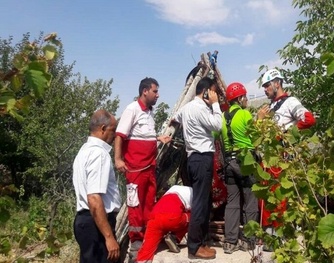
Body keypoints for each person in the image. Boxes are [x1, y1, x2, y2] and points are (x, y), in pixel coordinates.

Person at [114, 77, 171, 260]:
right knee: (135, 207)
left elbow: (143, 135)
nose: (158, 95)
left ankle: (148, 238)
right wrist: (118, 159)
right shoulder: (132, 109)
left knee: (148, 205)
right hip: (136, 170)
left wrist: (157, 138)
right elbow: (120, 135)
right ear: (145, 91)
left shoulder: (148, 112)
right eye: (155, 91)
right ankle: (136, 244)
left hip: (149, 168)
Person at [257, 69, 316, 237]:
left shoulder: (290, 102)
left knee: (280, 194)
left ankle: (280, 233)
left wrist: (286, 135)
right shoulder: (271, 107)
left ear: (277, 83)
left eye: (267, 85)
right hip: (270, 156)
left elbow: (308, 119)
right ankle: (270, 234)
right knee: (267, 194)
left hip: (282, 155)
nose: (265, 89)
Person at [172, 76, 222, 260]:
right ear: (207, 91)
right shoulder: (200, 108)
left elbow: (175, 118)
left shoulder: (186, 109)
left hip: (194, 159)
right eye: (214, 91)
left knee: (203, 201)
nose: (215, 95)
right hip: (201, 158)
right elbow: (218, 125)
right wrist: (215, 105)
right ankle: (194, 248)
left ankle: (199, 242)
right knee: (200, 204)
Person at [73, 109, 121, 263]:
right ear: (102, 129)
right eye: (113, 130)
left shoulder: (84, 151)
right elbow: (94, 197)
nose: (114, 135)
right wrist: (108, 237)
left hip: (87, 222)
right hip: (96, 224)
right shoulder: (98, 154)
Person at [220, 82, 259, 254]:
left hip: (229, 163)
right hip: (246, 161)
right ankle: (248, 241)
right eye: (245, 97)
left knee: (232, 203)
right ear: (240, 98)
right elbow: (256, 134)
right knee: (250, 201)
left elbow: (215, 135)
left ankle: (230, 242)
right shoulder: (244, 114)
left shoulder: (222, 117)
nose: (246, 100)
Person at [136, 185, 193, 262]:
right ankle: (175, 237)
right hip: (172, 217)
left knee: (146, 251)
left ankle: (142, 260)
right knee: (193, 216)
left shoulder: (171, 190)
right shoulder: (193, 192)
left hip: (154, 217)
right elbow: (197, 214)